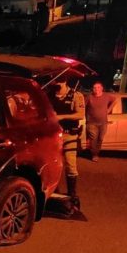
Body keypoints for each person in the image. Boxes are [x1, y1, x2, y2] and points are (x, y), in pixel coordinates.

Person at [49, 76, 84, 208]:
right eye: (54, 81)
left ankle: (72, 194)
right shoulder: (50, 95)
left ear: (65, 81)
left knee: (70, 165)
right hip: (53, 135)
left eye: (58, 81)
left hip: (69, 135)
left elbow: (80, 114)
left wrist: (61, 116)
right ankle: (53, 191)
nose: (56, 83)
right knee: (53, 163)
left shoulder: (75, 95)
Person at [84, 81, 116, 162]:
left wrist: (109, 110)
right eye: (94, 88)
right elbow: (83, 106)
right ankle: (94, 155)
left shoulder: (107, 96)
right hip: (91, 123)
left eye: (98, 87)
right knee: (93, 139)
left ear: (102, 88)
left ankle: (96, 153)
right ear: (93, 89)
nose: (96, 89)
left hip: (103, 123)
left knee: (100, 139)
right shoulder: (89, 97)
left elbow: (115, 100)